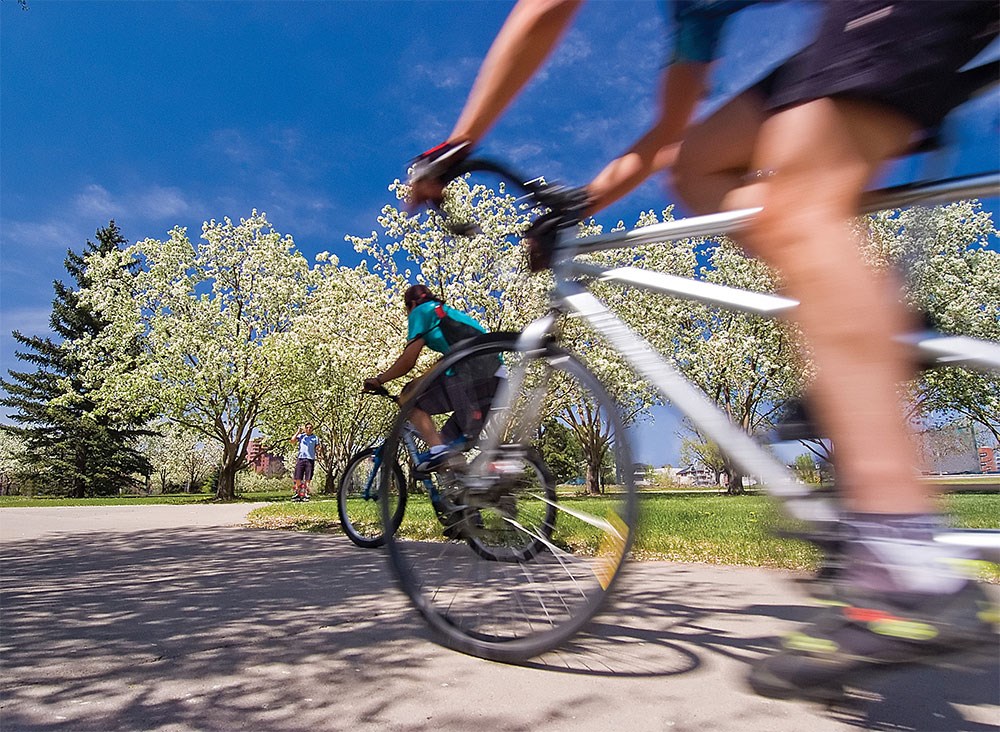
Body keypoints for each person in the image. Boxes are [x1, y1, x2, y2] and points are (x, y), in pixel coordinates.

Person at [406, 0, 998, 701]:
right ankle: (860, 314)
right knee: (700, 166)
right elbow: (667, 136)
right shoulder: (696, 17)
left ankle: (904, 567)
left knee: (802, 193)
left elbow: (544, 11)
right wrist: (580, 207)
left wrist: (459, 142)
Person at [364, 284, 499, 472]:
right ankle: (472, 491)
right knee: (448, 444)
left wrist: (380, 380)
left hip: (470, 376)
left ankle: (438, 452)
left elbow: (408, 360)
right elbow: (439, 366)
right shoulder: (445, 314)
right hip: (496, 378)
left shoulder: (421, 311)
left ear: (410, 304)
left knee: (411, 401)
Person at [290, 423, 320, 502]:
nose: (309, 429)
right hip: (301, 459)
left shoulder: (315, 438)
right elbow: (292, 441)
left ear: (312, 429)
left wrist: (319, 453)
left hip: (310, 459)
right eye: (307, 428)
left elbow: (318, 448)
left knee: (308, 478)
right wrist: (298, 432)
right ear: (305, 429)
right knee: (298, 477)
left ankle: (306, 493)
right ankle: (298, 493)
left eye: (310, 428)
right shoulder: (301, 436)